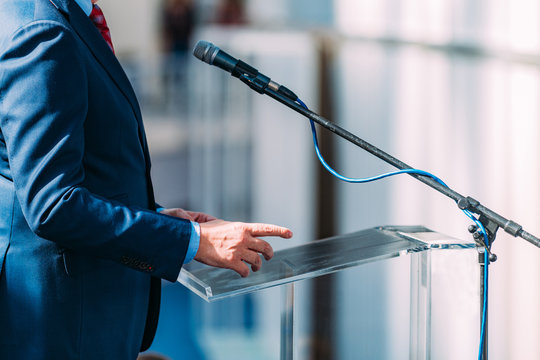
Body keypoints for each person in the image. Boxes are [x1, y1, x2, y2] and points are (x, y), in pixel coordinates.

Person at [0, 0, 292, 359]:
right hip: (65, 321)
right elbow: (51, 204)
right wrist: (191, 240)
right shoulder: (43, 30)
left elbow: (75, 171)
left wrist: (154, 218)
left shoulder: (52, 16)